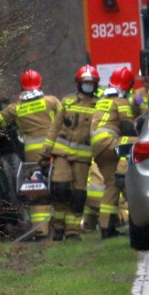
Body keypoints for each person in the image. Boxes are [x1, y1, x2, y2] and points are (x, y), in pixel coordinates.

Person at [0, 69, 61, 240]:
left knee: (38, 191)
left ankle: (41, 231)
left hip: (34, 156)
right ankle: (64, 228)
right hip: (56, 152)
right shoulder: (51, 101)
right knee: (60, 187)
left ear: (22, 87)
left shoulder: (16, 109)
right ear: (40, 84)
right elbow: (66, 119)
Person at [40, 64, 100, 241]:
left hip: (82, 158)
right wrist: (45, 151)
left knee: (79, 195)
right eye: (85, 82)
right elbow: (55, 127)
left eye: (91, 83)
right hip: (61, 154)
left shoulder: (99, 106)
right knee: (60, 188)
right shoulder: (67, 102)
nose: (88, 86)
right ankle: (58, 227)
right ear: (78, 84)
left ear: (95, 85)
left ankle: (73, 231)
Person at [91, 67, 138, 239]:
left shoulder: (102, 99)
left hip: (97, 148)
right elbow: (127, 129)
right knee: (137, 143)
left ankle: (106, 228)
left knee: (110, 186)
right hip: (109, 142)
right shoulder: (121, 101)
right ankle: (122, 172)